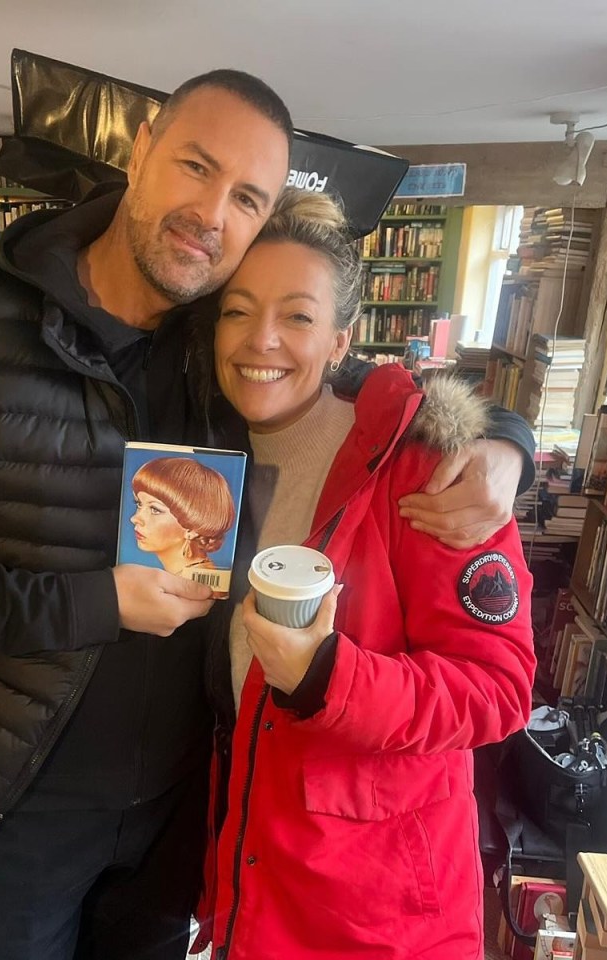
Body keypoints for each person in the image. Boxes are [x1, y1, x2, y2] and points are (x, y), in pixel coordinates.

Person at [0, 69, 533, 960]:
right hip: (24, 805)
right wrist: (97, 599)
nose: (211, 214)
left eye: (246, 197)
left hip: (185, 811)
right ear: (143, 145)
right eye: (196, 167)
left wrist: (503, 440)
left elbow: (347, 385)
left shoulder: (218, 338)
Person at [194, 188, 537, 960]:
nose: (262, 340)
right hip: (252, 891)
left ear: (342, 338)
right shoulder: (198, 455)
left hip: (381, 919)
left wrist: (329, 679)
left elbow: (500, 689)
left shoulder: (422, 466)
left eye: (299, 316)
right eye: (237, 310)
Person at [130, 457, 235, 580]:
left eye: (155, 510)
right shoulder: (180, 575)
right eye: (139, 504)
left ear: (192, 529)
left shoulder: (198, 582)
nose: (135, 518)